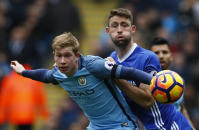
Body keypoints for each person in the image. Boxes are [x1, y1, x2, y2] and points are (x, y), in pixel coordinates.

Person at [10, 32, 157, 130]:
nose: (62, 61)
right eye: (58, 56)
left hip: (121, 125)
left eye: (67, 55)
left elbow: (129, 72)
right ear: (54, 55)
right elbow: (44, 75)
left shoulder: (94, 66)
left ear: (76, 55)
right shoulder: (58, 73)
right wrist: (24, 72)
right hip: (95, 126)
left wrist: (155, 80)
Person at [105, 8, 193, 129]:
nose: (119, 30)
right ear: (108, 31)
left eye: (124, 25)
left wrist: (117, 78)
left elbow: (148, 101)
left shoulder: (147, 58)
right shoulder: (112, 58)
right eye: (114, 26)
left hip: (168, 126)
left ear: (133, 29)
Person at [150, 37, 196, 129]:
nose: (161, 56)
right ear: (150, 57)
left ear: (171, 56)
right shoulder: (146, 83)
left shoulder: (179, 81)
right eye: (156, 53)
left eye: (164, 52)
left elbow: (181, 108)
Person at [0, 64, 48, 130]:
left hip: (15, 115)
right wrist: (44, 114)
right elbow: (40, 97)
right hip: (29, 115)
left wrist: (2, 117)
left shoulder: (9, 79)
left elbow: (4, 99)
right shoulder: (34, 78)